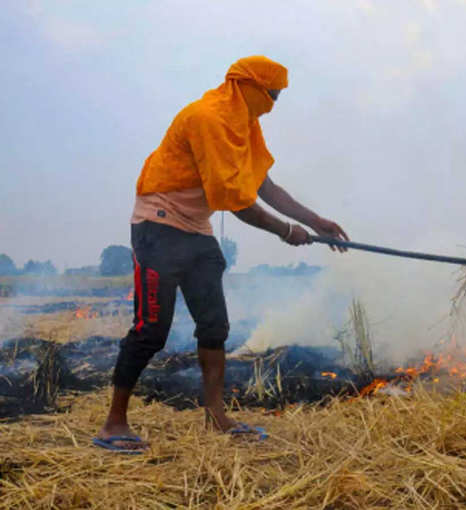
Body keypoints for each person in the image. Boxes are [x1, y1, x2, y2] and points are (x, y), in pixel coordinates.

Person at [94, 56, 348, 452]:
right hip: (158, 225)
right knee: (151, 331)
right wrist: (286, 231)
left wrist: (316, 222)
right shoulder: (208, 118)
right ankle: (113, 423)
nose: (274, 104)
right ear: (247, 86)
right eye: (272, 94)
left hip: (196, 228)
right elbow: (234, 200)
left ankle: (216, 417)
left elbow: (263, 185)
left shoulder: (244, 125)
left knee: (214, 327)